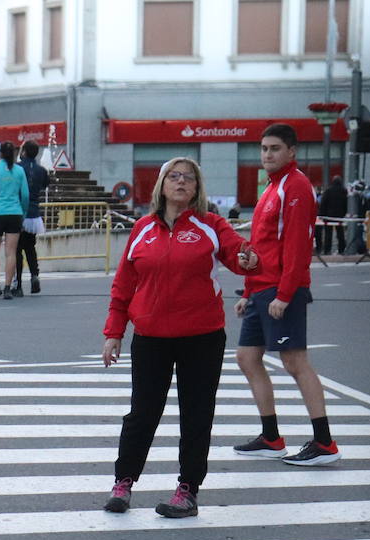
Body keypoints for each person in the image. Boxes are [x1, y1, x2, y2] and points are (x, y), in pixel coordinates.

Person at [102, 158, 259, 518]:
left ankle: (187, 490)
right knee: (142, 413)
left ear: (197, 188)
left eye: (189, 178)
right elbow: (124, 285)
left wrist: (249, 259)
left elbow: (238, 253)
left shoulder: (211, 225)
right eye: (174, 176)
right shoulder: (142, 228)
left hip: (202, 337)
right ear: (161, 185)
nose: (182, 182)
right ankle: (123, 483)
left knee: (196, 415)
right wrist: (114, 332)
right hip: (151, 337)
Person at [234, 123, 340, 467]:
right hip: (261, 289)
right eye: (264, 148)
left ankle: (324, 442)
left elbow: (296, 246)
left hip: (283, 291)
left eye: (275, 148)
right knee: (247, 358)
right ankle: (271, 437)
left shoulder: (295, 186)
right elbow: (262, 245)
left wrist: (284, 293)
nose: (267, 155)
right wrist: (248, 291)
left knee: (295, 362)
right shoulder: (271, 187)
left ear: (291, 152)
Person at [0, 141, 30, 300]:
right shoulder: (19, 171)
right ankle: (8, 287)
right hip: (15, 213)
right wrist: (23, 212)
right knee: (11, 253)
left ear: (0, 154)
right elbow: (25, 195)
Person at [13, 140, 49, 296]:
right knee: (30, 247)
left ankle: (18, 284)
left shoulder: (18, 168)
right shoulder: (41, 170)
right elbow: (45, 185)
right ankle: (35, 275)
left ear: (24, 152)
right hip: (35, 215)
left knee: (16, 249)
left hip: (19, 213)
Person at [317, 175, 347, 255]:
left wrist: (322, 214)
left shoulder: (328, 191)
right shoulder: (343, 191)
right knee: (340, 233)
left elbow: (323, 203)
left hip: (328, 215)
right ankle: (341, 249)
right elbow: (346, 204)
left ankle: (327, 250)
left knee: (328, 234)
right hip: (339, 215)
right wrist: (344, 213)